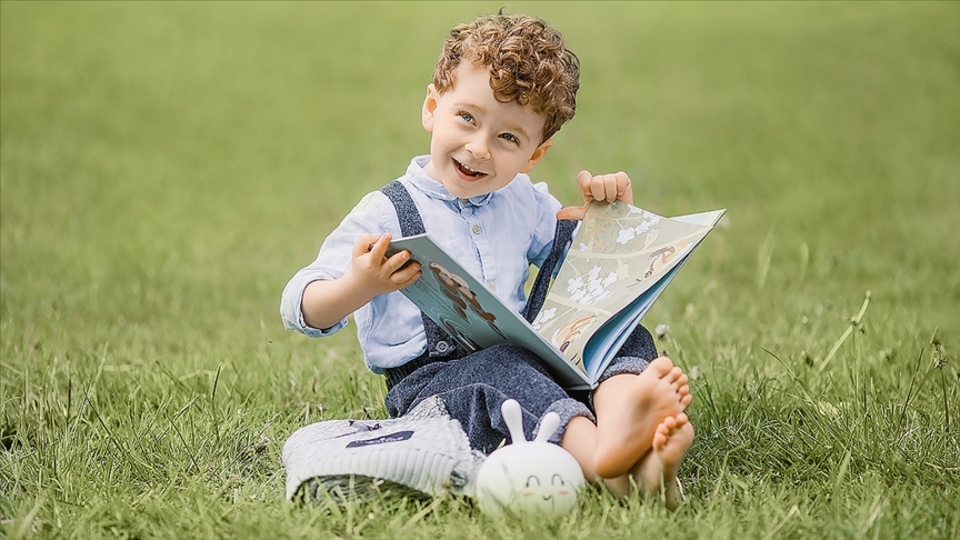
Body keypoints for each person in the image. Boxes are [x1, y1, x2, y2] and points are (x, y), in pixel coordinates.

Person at [281, 11, 693, 508]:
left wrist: (607, 220)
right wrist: (359, 285)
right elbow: (299, 305)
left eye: (508, 138)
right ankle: (607, 459)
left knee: (618, 330)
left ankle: (632, 433)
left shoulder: (523, 200)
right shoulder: (386, 212)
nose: (479, 148)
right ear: (432, 108)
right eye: (467, 119)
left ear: (534, 155)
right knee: (503, 368)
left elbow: (582, 271)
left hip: (533, 365)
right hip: (435, 391)